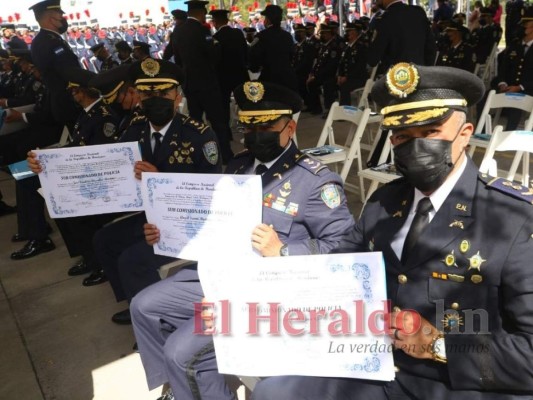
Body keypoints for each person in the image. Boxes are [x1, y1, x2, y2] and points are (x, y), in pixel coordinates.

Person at [253, 62, 533, 399]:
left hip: (455, 382)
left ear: (465, 133)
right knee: (273, 391)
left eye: (430, 132)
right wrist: (247, 300)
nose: (415, 147)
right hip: (373, 366)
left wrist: (440, 345)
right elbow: (332, 276)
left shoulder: (514, 220)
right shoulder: (383, 202)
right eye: (402, 136)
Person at [130, 81, 356, 400]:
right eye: (249, 126)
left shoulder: (315, 182)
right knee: (145, 306)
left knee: (182, 352)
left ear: (289, 128)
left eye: (265, 126)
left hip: (269, 290)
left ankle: (191, 379)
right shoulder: (239, 164)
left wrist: (284, 251)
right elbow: (210, 218)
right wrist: (167, 231)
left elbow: (345, 246)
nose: (255, 135)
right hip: (221, 273)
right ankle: (183, 387)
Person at [93, 57, 222, 324]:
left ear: (177, 96)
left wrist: (159, 180)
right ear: (138, 95)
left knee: (133, 259)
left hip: (189, 222)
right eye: (148, 92)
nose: (156, 98)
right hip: (152, 217)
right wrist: (49, 169)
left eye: (163, 92)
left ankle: (156, 322)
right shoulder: (135, 130)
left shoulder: (198, 135)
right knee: (104, 239)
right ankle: (135, 304)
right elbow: (106, 165)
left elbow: (212, 193)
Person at [171, 0, 234, 163]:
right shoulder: (202, 30)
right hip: (207, 82)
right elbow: (213, 55)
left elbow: (177, 59)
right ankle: (225, 155)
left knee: (196, 122)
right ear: (200, 13)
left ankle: (200, 156)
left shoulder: (177, 31)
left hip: (189, 84)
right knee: (217, 121)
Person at [29, 0, 81, 132]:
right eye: (60, 15)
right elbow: (69, 72)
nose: (63, 19)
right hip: (68, 102)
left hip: (61, 101)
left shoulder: (44, 39)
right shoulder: (50, 42)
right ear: (51, 19)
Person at [491, 8, 533, 130]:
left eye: (527, 25)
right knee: (485, 96)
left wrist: (520, 87)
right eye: (523, 24)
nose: (523, 27)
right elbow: (503, 68)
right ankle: (481, 132)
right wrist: (502, 83)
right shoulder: (514, 45)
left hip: (528, 89)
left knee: (516, 100)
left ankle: (508, 135)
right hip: (508, 87)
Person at [367, 0, 436, 73]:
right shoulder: (418, 12)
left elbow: (373, 59)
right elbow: (431, 48)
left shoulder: (385, 19)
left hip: (396, 78)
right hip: (419, 74)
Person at [210, 9, 248, 130]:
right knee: (244, 102)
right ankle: (248, 125)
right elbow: (246, 51)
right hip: (240, 73)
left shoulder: (216, 37)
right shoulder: (238, 33)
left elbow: (215, 59)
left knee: (224, 104)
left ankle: (226, 130)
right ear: (227, 20)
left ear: (215, 23)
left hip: (223, 77)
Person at [248, 5, 298, 91]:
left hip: (269, 80)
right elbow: (292, 55)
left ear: (268, 20)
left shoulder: (261, 36)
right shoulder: (287, 36)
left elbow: (254, 59)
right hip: (288, 80)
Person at [337, 21, 369, 106]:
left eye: (348, 31)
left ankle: (345, 112)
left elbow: (360, 66)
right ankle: (332, 108)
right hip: (350, 77)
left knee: (345, 87)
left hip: (359, 78)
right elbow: (342, 63)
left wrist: (347, 77)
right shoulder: (348, 47)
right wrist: (340, 75)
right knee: (333, 83)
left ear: (354, 32)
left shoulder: (360, 47)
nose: (346, 33)